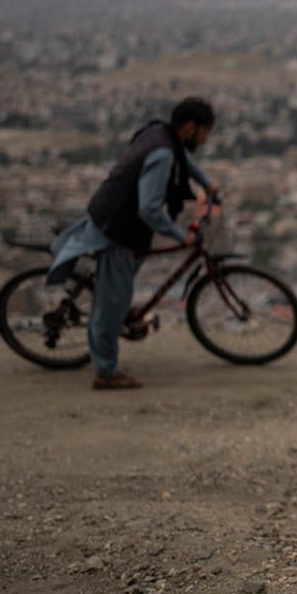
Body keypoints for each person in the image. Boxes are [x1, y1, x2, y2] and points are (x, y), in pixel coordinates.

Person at [47, 97, 219, 389]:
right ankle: (105, 372)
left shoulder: (157, 133)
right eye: (204, 132)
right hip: (119, 228)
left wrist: (205, 182)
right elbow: (149, 209)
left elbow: (183, 158)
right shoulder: (163, 154)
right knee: (111, 304)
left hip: (112, 214)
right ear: (190, 127)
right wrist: (181, 236)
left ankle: (117, 316)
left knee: (121, 287)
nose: (204, 140)